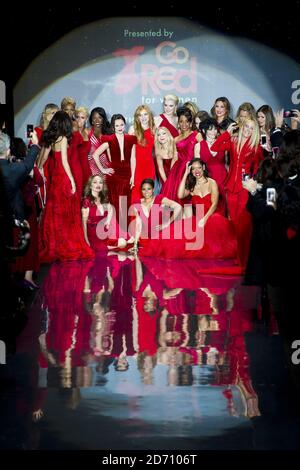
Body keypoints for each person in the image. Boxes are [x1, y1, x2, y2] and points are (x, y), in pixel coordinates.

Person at [38, 111, 94, 262]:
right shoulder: (63, 138)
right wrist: (72, 180)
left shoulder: (51, 138)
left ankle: (54, 245)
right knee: (67, 213)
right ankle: (66, 244)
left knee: (55, 211)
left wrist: (40, 170)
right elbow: (65, 162)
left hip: (55, 178)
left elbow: (42, 160)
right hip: (63, 177)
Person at [211, 117, 263, 269]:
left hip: (244, 189)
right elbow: (215, 147)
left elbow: (259, 169)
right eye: (246, 126)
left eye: (252, 128)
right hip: (231, 188)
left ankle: (244, 261)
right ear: (242, 126)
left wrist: (254, 184)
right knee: (233, 224)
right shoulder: (233, 141)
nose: (248, 130)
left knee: (243, 225)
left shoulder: (256, 147)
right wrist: (226, 133)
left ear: (255, 131)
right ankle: (236, 256)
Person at [92, 114, 137, 226]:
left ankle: (125, 231)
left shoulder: (131, 139)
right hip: (114, 175)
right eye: (117, 125)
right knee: (115, 203)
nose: (120, 127)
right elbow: (95, 155)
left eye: (122, 124)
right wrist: (103, 170)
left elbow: (133, 158)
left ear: (125, 125)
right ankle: (116, 231)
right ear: (113, 127)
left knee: (125, 203)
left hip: (127, 174)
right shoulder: (109, 139)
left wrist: (133, 176)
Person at [161, 107, 202, 203]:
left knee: (189, 196)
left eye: (187, 121)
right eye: (181, 121)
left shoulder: (197, 135)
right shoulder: (176, 139)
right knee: (173, 194)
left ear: (191, 123)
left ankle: (189, 217)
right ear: (178, 123)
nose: (184, 124)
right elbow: (175, 157)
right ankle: (175, 216)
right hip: (177, 170)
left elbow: (202, 153)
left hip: (191, 168)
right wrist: (171, 174)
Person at [81, 175, 126, 251]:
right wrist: (86, 240)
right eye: (95, 182)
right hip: (93, 233)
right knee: (120, 243)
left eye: (100, 182)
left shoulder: (103, 199)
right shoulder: (87, 201)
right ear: (90, 186)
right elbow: (84, 223)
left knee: (123, 242)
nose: (98, 185)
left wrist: (108, 221)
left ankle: (117, 244)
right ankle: (112, 247)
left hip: (104, 231)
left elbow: (111, 208)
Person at [195, 118, 227, 214]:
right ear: (204, 131)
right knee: (208, 207)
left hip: (222, 178)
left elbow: (226, 163)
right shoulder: (199, 146)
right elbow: (197, 167)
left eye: (215, 129)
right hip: (207, 179)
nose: (214, 132)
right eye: (210, 129)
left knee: (222, 206)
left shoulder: (223, 143)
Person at [129, 105, 156, 202]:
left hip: (149, 168)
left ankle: (148, 217)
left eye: (145, 114)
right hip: (137, 169)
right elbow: (132, 156)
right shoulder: (133, 130)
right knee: (136, 196)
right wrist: (132, 175)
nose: (143, 118)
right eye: (140, 115)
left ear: (149, 116)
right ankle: (135, 217)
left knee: (148, 197)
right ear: (137, 117)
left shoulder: (154, 130)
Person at [87, 107, 113, 180]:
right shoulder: (87, 133)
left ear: (103, 119)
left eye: (100, 117)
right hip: (91, 169)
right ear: (91, 120)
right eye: (94, 118)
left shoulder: (108, 134)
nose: (97, 120)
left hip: (106, 168)